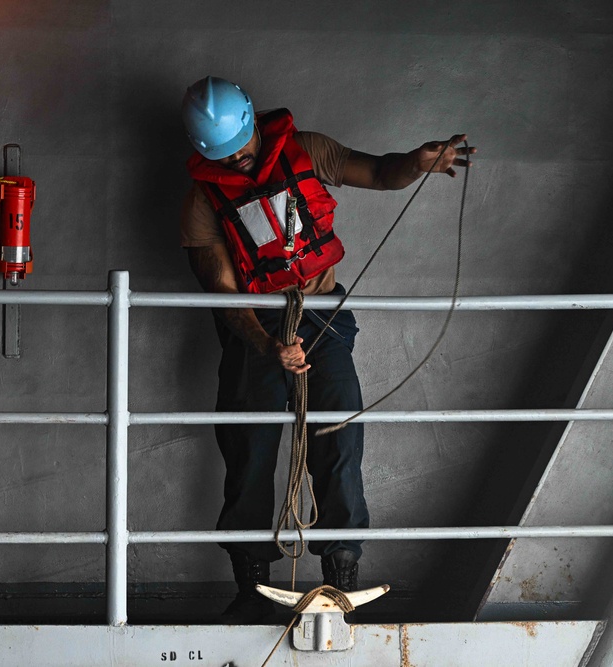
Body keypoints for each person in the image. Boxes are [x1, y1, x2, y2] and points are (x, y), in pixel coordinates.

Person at [179, 76, 475, 622]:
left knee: (339, 442)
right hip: (256, 329)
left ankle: (340, 580)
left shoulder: (306, 150)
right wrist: (267, 344)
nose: (239, 162)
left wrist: (418, 163)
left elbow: (381, 172)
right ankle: (251, 590)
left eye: (242, 150)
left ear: (252, 125)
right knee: (249, 450)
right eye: (225, 157)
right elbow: (221, 294)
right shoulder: (203, 200)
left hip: (325, 318)